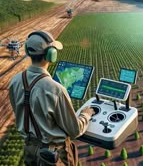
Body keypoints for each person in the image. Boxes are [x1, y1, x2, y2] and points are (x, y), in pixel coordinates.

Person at [8, 30, 94, 165]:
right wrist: (86, 115)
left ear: (27, 51)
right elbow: (74, 131)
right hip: (54, 156)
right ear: (51, 55)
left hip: (30, 151)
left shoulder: (15, 81)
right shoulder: (56, 89)